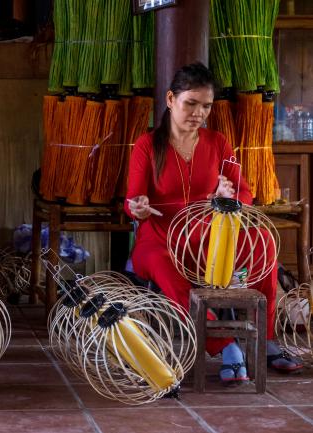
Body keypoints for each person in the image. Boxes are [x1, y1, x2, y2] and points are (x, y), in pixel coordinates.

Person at [124, 62, 302, 383]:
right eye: (190, 103)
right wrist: (138, 207)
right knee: (164, 266)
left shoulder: (219, 143)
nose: (198, 112)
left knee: (263, 241)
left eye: (205, 106)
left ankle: (266, 339)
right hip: (160, 240)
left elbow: (244, 193)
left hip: (209, 239)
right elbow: (132, 200)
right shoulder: (147, 145)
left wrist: (229, 196)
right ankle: (225, 345)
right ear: (170, 100)